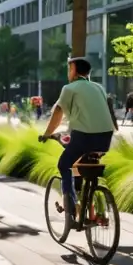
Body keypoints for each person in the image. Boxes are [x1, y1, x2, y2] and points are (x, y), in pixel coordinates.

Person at [39, 57, 117, 226]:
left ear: (74, 70)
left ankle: (73, 208)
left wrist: (46, 134)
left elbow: (58, 113)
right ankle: (96, 209)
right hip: (105, 138)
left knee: (64, 164)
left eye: (69, 69)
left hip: (84, 137)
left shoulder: (69, 88)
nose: (68, 73)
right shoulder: (99, 88)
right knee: (89, 166)